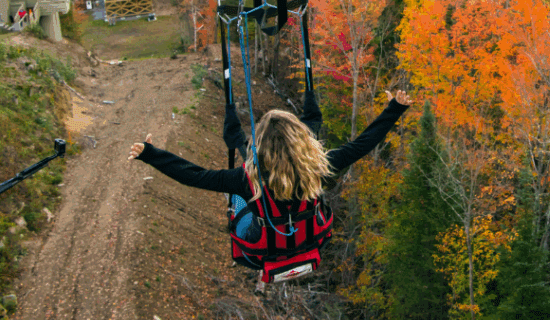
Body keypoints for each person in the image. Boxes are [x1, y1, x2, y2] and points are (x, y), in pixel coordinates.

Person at [128, 90, 412, 278]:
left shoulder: (246, 179)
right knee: (249, 185)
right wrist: (395, 109)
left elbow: (194, 175)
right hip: (312, 241)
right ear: (302, 141)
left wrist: (152, 155)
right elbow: (363, 143)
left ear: (261, 146)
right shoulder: (321, 169)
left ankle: (246, 186)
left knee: (237, 198)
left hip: (258, 253)